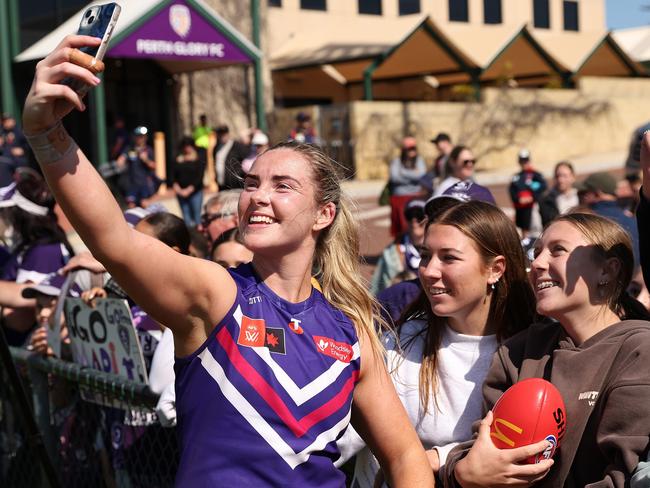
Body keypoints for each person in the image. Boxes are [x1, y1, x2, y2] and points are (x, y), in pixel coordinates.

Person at [22, 36, 434, 487]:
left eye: (282, 186)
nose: (257, 195)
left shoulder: (350, 331)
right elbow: (114, 240)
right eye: (252, 182)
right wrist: (47, 134)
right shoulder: (216, 293)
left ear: (324, 214)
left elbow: (406, 456)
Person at [444, 212, 650, 487]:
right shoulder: (519, 351)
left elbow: (624, 476)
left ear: (607, 270)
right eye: (537, 253)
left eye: (558, 251)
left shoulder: (638, 350)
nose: (537, 264)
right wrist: (461, 474)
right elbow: (482, 447)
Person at [342, 200, 535, 486]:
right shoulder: (400, 341)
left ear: (495, 269)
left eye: (449, 258)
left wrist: (440, 459)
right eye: (425, 256)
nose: (429, 271)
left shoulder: (533, 351)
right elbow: (341, 436)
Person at [576, 171, 640, 267]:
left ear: (597, 193)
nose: (583, 197)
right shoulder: (633, 220)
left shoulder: (587, 220)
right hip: (631, 278)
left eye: (585, 192)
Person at [371, 199, 425, 295]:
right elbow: (377, 287)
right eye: (409, 216)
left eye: (419, 215)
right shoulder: (392, 251)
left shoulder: (437, 248)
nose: (414, 220)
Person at [388, 137, 427, 237]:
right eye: (409, 148)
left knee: (417, 225)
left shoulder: (419, 160)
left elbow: (422, 175)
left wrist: (403, 173)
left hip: (416, 196)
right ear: (404, 150)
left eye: (414, 148)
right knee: (401, 228)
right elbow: (394, 178)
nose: (412, 150)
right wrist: (414, 175)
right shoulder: (397, 162)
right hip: (399, 197)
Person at [116, 126, 159, 208]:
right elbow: (121, 160)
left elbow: (154, 166)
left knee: (144, 205)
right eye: (138, 136)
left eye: (142, 136)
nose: (140, 138)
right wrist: (121, 161)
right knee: (131, 206)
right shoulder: (129, 149)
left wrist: (146, 160)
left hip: (144, 183)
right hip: (131, 183)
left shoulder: (149, 150)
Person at [509, 149, 547, 238]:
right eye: (522, 161)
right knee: (524, 233)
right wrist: (519, 199)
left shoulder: (536, 175)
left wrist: (532, 198)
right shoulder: (516, 177)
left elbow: (543, 186)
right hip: (522, 211)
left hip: (534, 208)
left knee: (538, 232)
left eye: (526, 161)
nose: (524, 163)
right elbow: (512, 191)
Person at [171, 136, 205, 227]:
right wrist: (178, 189)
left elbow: (200, 176)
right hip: (180, 192)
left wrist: (189, 190)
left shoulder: (198, 157)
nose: (187, 148)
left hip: (195, 192)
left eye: (189, 146)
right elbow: (172, 176)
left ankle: (199, 238)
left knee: (197, 218)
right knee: (187, 219)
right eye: (185, 146)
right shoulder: (178, 158)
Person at [538, 160, 579, 226]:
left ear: (573, 177)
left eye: (564, 176)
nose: (560, 180)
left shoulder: (582, 197)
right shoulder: (546, 200)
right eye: (558, 176)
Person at [213, 125, 249, 191]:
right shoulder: (216, 147)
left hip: (235, 186)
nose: (221, 137)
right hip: (221, 185)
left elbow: (248, 159)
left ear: (228, 134)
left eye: (223, 134)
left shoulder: (237, 146)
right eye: (220, 134)